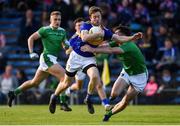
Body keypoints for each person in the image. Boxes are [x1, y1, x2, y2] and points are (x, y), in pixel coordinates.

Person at [49, 6, 143, 114]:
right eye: (94, 17)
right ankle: (54, 96)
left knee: (94, 76)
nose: (96, 19)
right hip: (75, 57)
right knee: (66, 83)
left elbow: (118, 38)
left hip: (89, 58)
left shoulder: (105, 31)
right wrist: (98, 34)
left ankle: (88, 98)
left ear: (101, 17)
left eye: (98, 17)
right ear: (90, 18)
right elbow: (84, 38)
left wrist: (132, 38)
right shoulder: (86, 25)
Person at [81, 25, 147, 121]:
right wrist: (91, 45)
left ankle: (109, 114)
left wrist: (92, 49)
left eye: (117, 33)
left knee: (125, 101)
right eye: (114, 33)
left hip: (139, 76)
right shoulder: (116, 43)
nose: (114, 35)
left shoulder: (129, 45)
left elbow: (110, 50)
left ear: (124, 36)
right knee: (114, 94)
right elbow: (105, 46)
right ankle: (110, 102)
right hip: (127, 71)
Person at [7, 11, 68, 107]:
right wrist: (31, 52)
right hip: (46, 57)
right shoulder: (45, 30)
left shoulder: (62, 31)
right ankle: (62, 102)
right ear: (50, 20)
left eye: (59, 19)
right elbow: (30, 38)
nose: (57, 21)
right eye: (55, 19)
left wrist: (67, 46)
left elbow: (64, 45)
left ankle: (13, 93)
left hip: (53, 59)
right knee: (64, 77)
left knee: (34, 82)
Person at [59, 17, 86, 111]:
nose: (80, 27)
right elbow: (67, 52)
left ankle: (68, 91)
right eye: (78, 25)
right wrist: (73, 48)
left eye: (82, 25)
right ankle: (60, 98)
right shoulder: (73, 38)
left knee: (79, 87)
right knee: (66, 82)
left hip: (84, 63)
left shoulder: (88, 35)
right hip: (74, 63)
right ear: (75, 27)